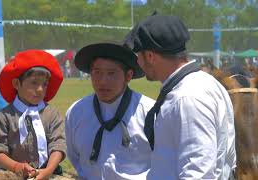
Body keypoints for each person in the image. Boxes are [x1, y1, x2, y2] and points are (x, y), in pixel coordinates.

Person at [123, 14, 236, 179]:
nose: (138, 62)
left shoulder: (188, 97)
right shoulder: (203, 83)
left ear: (150, 56)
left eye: (138, 56)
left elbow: (198, 173)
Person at [65, 42, 155, 179]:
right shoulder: (76, 112)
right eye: (97, 72)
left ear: (128, 76)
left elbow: (164, 160)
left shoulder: (149, 112)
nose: (103, 81)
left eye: (111, 73)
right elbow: (75, 157)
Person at [0, 50, 66, 179]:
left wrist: (48, 170)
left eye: (45, 84)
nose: (40, 89)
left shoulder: (52, 114)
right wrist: (16, 166)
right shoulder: (5, 116)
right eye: (34, 83)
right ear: (17, 84)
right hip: (12, 173)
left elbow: (58, 145)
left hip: (49, 171)